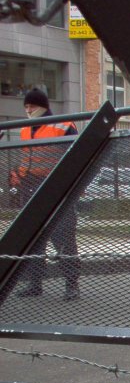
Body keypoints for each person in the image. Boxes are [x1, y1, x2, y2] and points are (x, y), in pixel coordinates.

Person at [10, 88, 80, 300]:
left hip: (56, 186)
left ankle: (71, 283)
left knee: (63, 235)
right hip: (30, 185)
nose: (28, 110)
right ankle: (35, 283)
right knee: (33, 238)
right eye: (26, 107)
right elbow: (27, 157)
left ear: (42, 106)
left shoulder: (63, 125)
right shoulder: (25, 129)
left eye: (31, 106)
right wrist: (18, 174)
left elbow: (76, 155)